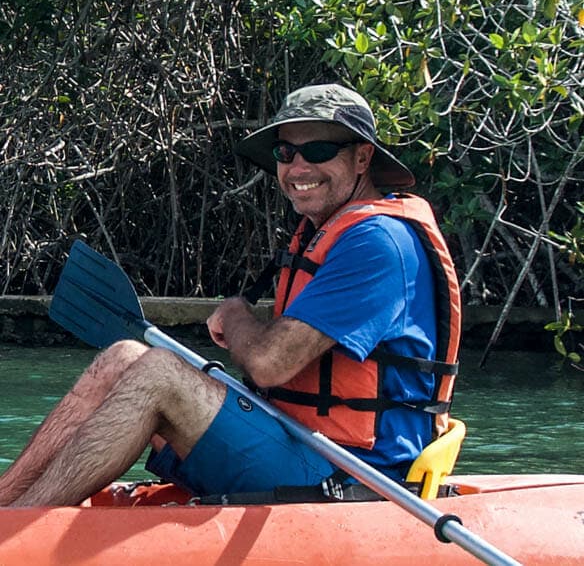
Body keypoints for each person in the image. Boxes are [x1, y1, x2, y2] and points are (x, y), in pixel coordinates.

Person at [0, 83, 460, 508]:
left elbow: (268, 363)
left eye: (318, 150)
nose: (298, 168)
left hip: (354, 477)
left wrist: (237, 314)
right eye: (286, 152)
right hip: (297, 440)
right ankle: (8, 508)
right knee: (123, 356)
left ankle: (19, 532)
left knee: (159, 374)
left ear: (362, 159)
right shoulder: (329, 231)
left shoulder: (378, 243)